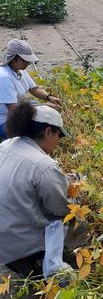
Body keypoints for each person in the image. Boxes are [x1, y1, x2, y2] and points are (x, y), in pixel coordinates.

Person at [0, 101, 77, 278]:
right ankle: (46, 266)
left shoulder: (6, 145)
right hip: (18, 244)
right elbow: (61, 209)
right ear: (48, 131)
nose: (58, 142)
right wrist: (73, 192)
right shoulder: (44, 165)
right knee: (74, 219)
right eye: (59, 135)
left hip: (4, 235)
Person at [0, 39, 62, 141]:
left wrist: (49, 97)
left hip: (15, 115)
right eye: (25, 60)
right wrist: (41, 107)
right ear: (14, 59)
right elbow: (14, 109)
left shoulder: (19, 70)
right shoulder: (4, 78)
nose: (28, 63)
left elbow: (34, 89)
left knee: (44, 121)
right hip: (4, 121)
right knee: (37, 130)